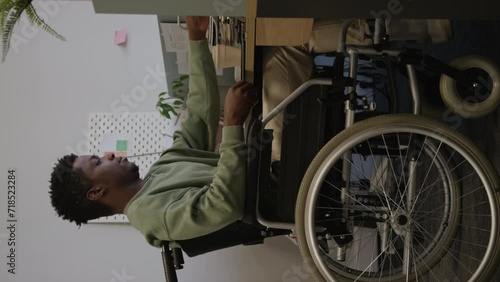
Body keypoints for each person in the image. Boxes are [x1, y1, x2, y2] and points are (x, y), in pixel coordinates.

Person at [49, 16, 258, 247]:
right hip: (283, 187)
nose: (108, 155)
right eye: (98, 161)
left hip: (272, 166)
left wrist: (197, 37)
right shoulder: (151, 217)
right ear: (96, 191)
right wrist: (232, 124)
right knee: (282, 55)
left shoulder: (160, 169)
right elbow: (223, 206)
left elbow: (200, 114)